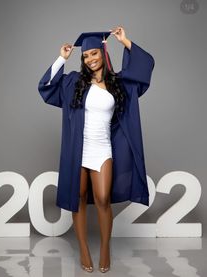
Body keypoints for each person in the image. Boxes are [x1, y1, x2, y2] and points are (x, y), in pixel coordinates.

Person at [38, 26, 155, 273]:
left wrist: (125, 41)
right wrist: (62, 58)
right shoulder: (73, 83)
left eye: (94, 53)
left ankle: (104, 248)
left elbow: (145, 69)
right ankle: (83, 249)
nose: (90, 59)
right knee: (78, 199)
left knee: (103, 199)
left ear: (103, 52)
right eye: (86, 56)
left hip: (103, 149)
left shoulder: (119, 84)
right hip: (78, 151)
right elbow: (46, 88)